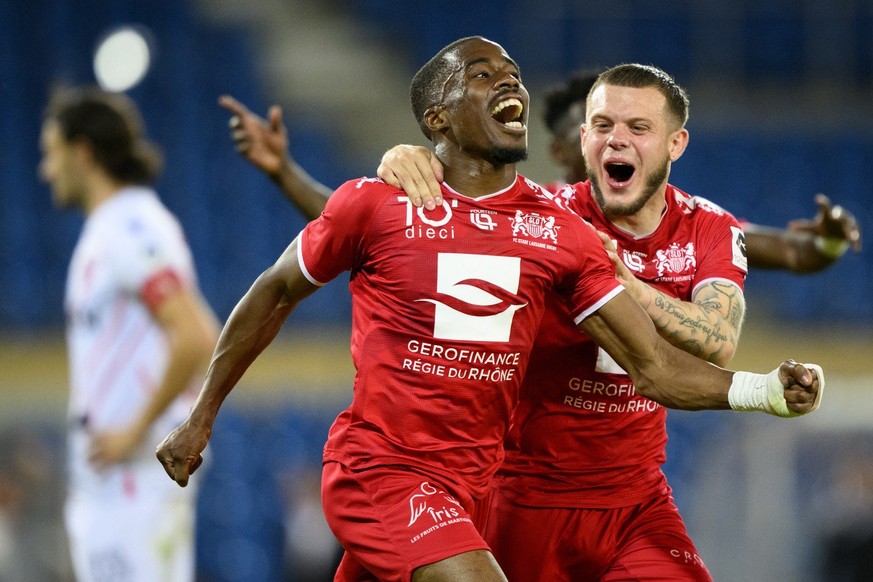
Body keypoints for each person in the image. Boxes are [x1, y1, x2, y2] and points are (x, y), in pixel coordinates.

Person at [162, 37, 821, 582]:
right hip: (385, 467)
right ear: (437, 120)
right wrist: (200, 417)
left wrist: (767, 391)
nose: (510, 82)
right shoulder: (381, 202)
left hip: (483, 488)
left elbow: (652, 367)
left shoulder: (563, 236)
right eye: (482, 74)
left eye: (511, 73)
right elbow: (284, 283)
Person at [39, 86, 220, 582]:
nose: (45, 170)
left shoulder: (133, 227)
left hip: (136, 482)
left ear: (83, 153)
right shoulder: (108, 230)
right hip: (111, 485)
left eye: (51, 154)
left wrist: (134, 432)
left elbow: (195, 335)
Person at [536, 69, 862, 273]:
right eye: (601, 126)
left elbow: (794, 253)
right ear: (563, 148)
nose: (615, 140)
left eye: (634, 126)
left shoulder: (687, 225)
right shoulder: (537, 215)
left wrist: (831, 243)